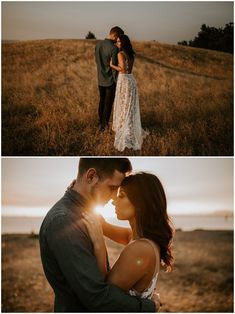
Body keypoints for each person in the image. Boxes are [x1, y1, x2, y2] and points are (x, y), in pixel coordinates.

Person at [39, 158, 160, 312]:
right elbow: (97, 297)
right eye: (112, 188)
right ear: (90, 177)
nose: (113, 198)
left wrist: (102, 230)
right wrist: (149, 306)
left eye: (119, 193)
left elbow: (131, 236)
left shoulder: (85, 214)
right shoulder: (64, 221)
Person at [82, 172, 174, 302]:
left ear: (141, 202)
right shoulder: (139, 238)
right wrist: (83, 194)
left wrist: (98, 243)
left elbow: (104, 298)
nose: (114, 202)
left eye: (121, 196)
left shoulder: (141, 249)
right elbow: (105, 226)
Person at [110, 34, 148, 151]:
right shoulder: (131, 54)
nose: (117, 43)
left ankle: (126, 131)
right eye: (116, 41)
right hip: (131, 80)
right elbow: (128, 69)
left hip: (124, 80)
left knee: (125, 106)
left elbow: (122, 69)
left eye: (119, 42)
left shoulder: (120, 54)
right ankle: (129, 128)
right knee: (129, 107)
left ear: (124, 43)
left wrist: (112, 65)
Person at [95, 26, 124, 131]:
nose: (118, 40)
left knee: (101, 101)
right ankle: (104, 124)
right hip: (110, 80)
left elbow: (97, 62)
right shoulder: (114, 48)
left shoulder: (98, 45)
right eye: (118, 37)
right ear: (115, 35)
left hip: (100, 78)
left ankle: (100, 122)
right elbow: (115, 66)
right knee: (108, 103)